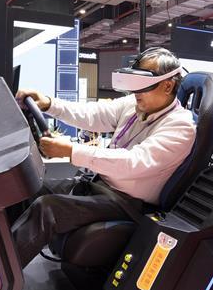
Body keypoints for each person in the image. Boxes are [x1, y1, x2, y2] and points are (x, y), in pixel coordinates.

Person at [11, 47, 196, 269]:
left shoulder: (181, 126)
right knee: (28, 186)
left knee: (47, 208)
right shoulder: (134, 105)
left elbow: (132, 163)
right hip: (100, 185)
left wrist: (72, 151)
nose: (136, 91)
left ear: (167, 85)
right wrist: (50, 104)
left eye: (143, 84)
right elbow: (93, 114)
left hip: (126, 202)